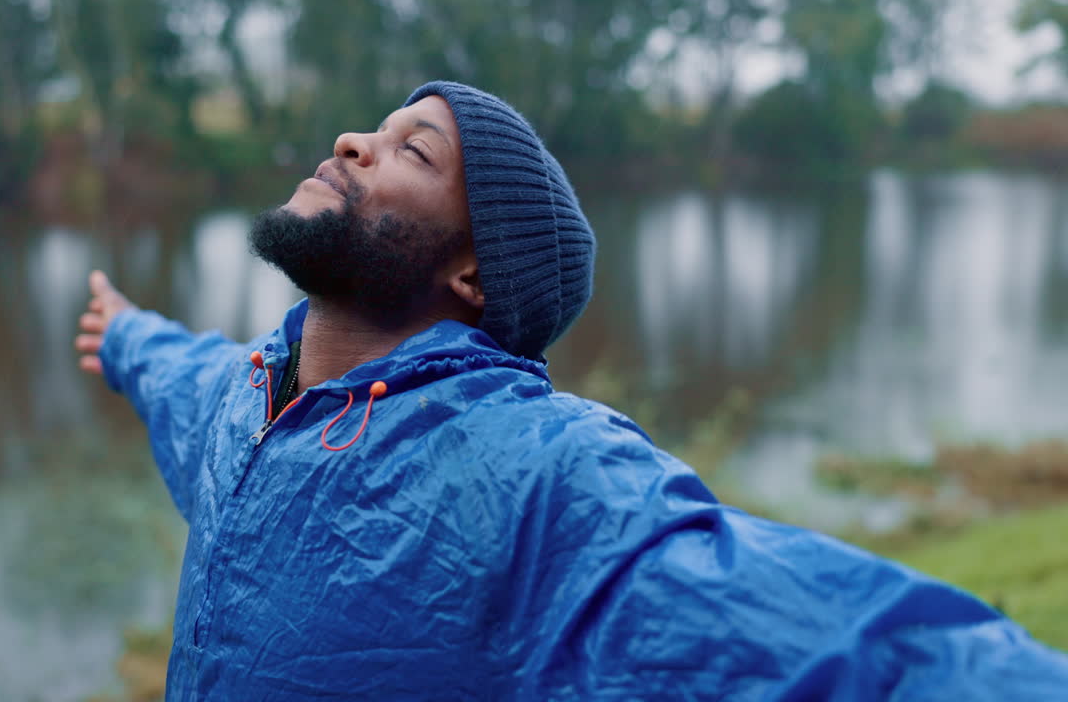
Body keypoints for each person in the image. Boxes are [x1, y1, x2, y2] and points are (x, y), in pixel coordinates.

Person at [75, 81, 1068, 701]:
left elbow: (843, 658)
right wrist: (122, 333)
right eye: (375, 130)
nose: (350, 143)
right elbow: (179, 372)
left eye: (411, 149)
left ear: (471, 272)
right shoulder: (246, 394)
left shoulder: (529, 473)